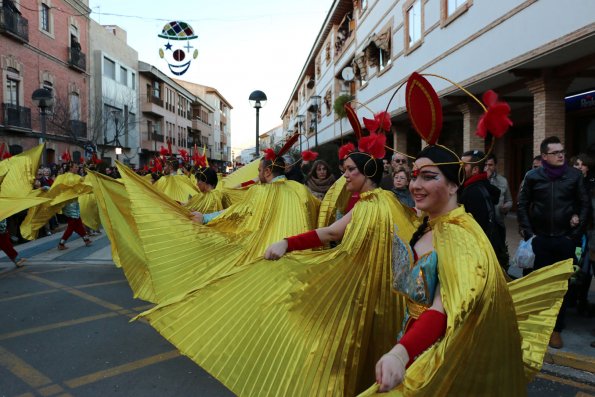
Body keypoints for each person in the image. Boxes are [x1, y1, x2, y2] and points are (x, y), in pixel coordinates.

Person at [136, 141, 417, 396]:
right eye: (343, 170)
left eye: (350, 170)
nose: (344, 176)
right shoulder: (386, 201)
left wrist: (284, 242)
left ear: (367, 171)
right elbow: (327, 222)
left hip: (355, 283)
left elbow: (328, 231)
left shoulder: (372, 205)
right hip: (383, 293)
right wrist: (291, 242)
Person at [365, 144, 572, 396]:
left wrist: (401, 353)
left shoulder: (458, 235)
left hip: (438, 349)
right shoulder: (431, 224)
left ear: (453, 185)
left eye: (429, 177)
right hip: (412, 336)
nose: (415, 185)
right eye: (415, 176)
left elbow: (443, 308)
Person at [517, 136, 589, 348]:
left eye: (562, 152)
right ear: (545, 156)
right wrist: (530, 234)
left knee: (560, 287)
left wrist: (574, 235)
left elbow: (585, 205)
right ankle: (538, 327)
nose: (561, 155)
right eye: (556, 152)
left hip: (564, 239)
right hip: (540, 240)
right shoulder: (533, 176)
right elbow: (522, 205)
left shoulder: (574, 176)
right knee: (538, 286)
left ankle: (556, 329)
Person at [459, 149, 508, 269]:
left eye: (463, 165)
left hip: (478, 258)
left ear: (475, 170)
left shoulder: (472, 192)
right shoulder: (477, 187)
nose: (460, 168)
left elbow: (475, 229)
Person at [58, 162, 92, 250]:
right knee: (72, 225)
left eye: (78, 167)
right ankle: (61, 243)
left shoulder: (76, 177)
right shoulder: (67, 177)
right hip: (69, 204)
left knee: (78, 222)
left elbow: (83, 182)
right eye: (76, 167)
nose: (77, 168)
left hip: (75, 202)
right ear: (70, 168)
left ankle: (86, 239)